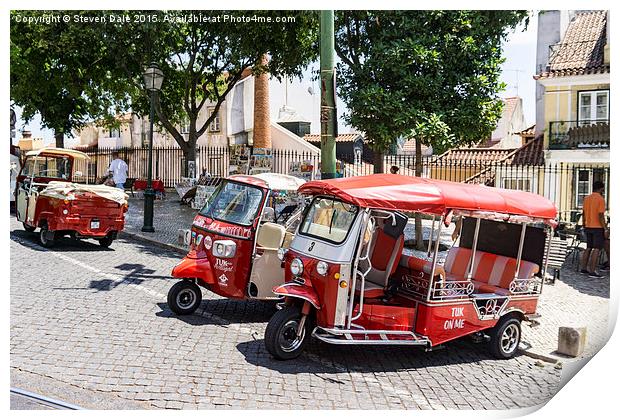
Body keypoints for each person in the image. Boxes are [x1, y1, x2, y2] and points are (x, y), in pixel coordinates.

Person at [579, 181, 609, 278]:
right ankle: (592, 271)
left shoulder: (587, 199)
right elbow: (600, 215)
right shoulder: (600, 199)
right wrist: (605, 228)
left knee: (588, 247)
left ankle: (583, 268)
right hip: (597, 227)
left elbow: (583, 213)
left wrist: (584, 223)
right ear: (601, 189)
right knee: (596, 248)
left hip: (588, 225)